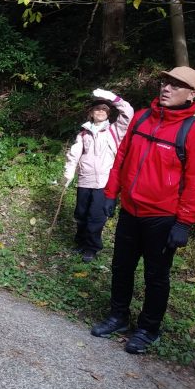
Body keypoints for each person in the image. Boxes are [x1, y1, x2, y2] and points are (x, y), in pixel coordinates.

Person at [91, 66, 195, 354]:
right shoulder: (142, 117)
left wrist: (184, 223)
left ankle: (148, 329)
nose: (166, 88)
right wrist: (110, 194)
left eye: (176, 85)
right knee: (121, 266)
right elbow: (122, 156)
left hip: (162, 219)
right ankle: (118, 317)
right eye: (165, 82)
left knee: (156, 276)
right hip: (131, 210)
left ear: (191, 94)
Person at [63, 89, 134, 262]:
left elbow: (128, 113)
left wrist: (113, 98)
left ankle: (91, 247)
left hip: (104, 183)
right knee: (81, 214)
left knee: (96, 216)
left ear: (109, 114)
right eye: (97, 109)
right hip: (85, 180)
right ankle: (80, 242)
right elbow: (75, 155)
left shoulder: (115, 130)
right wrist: (68, 173)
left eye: (104, 109)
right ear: (91, 113)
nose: (100, 111)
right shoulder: (83, 133)